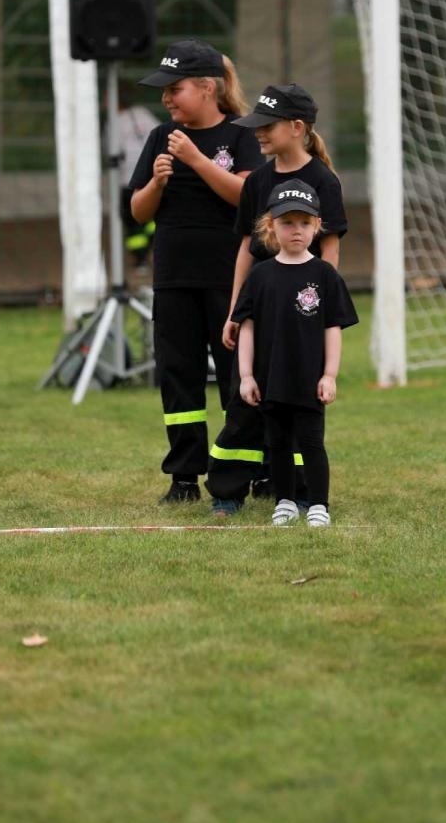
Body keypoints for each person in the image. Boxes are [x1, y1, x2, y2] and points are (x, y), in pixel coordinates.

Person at [128, 39, 265, 504]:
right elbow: (139, 212)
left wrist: (196, 160)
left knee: (237, 376)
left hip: (229, 280)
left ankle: (250, 467)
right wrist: (157, 181)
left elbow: (246, 197)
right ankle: (184, 477)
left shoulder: (242, 135)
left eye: (175, 88)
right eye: (163, 91)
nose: (166, 98)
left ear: (208, 88)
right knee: (178, 376)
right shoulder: (160, 138)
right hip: (173, 279)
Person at [205, 83, 348, 514]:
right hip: (261, 309)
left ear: (297, 128)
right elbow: (247, 250)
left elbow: (331, 250)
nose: (258, 135)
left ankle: (300, 493)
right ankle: (228, 491)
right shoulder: (259, 182)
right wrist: (235, 310)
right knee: (246, 402)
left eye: (266, 127)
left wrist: (319, 310)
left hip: (302, 315)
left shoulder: (324, 181)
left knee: (301, 406)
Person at [233, 179, 358, 526]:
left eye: (305, 223)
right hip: (270, 377)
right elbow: (247, 326)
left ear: (317, 225)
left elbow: (333, 327)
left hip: (308, 378)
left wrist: (329, 374)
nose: (297, 230)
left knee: (312, 442)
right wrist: (246, 375)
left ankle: (319, 504)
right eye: (288, 222)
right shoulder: (259, 276)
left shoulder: (324, 275)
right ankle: (285, 501)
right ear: (271, 225)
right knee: (277, 443)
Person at [110, 85, 160, 269]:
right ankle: (148, 248)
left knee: (132, 220)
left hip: (127, 179)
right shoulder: (142, 113)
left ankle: (140, 258)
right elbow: (159, 134)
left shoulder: (115, 121)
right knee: (151, 217)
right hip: (149, 175)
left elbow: (110, 149)